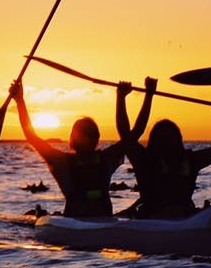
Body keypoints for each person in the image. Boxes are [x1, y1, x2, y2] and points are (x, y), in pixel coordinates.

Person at [117, 79, 211, 219]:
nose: (167, 142)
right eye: (163, 138)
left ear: (178, 140)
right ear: (154, 141)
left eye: (171, 137)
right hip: (151, 219)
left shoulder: (191, 160)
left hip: (184, 218)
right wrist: (125, 97)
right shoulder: (144, 160)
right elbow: (125, 133)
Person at [9, 77, 151, 217]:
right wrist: (20, 100)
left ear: (96, 138)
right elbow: (32, 137)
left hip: (104, 226)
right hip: (74, 226)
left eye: (92, 133)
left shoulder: (106, 158)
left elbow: (134, 133)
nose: (90, 137)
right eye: (86, 133)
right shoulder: (61, 161)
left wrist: (139, 95)